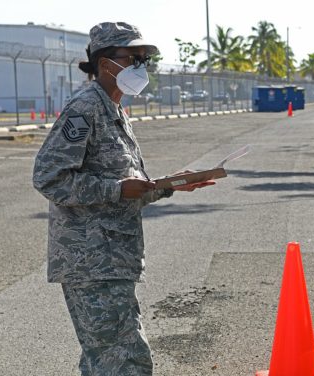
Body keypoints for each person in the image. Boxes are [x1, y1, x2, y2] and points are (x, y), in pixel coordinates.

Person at [32, 21, 213, 375]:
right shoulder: (85, 108)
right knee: (125, 362)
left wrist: (172, 185)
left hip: (111, 259)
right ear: (104, 64)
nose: (140, 67)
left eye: (143, 60)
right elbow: (49, 178)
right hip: (91, 261)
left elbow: (128, 187)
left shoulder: (113, 110)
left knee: (107, 361)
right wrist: (116, 189)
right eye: (133, 58)